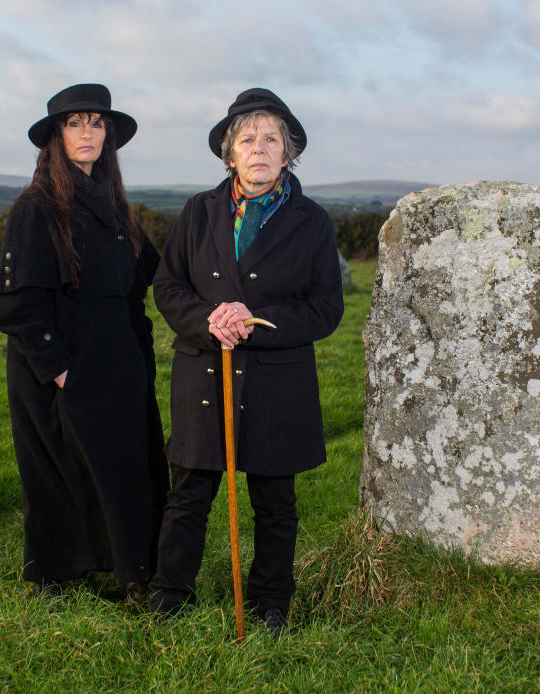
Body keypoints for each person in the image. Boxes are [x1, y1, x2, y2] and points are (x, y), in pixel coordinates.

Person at [147, 87, 344, 634]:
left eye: (272, 139)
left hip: (276, 382)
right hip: (204, 370)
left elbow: (326, 310)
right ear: (230, 153)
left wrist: (251, 319)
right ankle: (170, 593)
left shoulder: (312, 221)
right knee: (188, 493)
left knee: (275, 503)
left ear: (289, 153)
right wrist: (208, 319)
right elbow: (169, 286)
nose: (260, 148)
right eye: (248, 139)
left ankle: (270, 602)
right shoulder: (197, 211)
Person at [0, 83, 169, 602]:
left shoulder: (115, 207)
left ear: (108, 135)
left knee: (128, 462)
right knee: (67, 464)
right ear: (56, 137)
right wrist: (59, 366)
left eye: (96, 123)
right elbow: (14, 303)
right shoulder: (36, 207)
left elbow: (152, 273)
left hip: (118, 353)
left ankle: (134, 568)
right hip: (63, 358)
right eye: (75, 123)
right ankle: (66, 571)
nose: (87, 132)